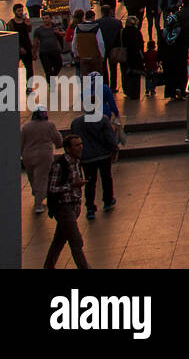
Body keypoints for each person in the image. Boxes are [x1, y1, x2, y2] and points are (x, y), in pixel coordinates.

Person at [44, 133, 90, 269]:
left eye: (81, 144)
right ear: (68, 149)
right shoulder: (59, 165)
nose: (81, 147)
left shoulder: (76, 162)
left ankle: (48, 266)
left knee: (59, 239)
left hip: (74, 205)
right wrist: (72, 186)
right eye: (77, 145)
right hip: (64, 207)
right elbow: (52, 188)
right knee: (76, 241)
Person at [69, 103, 118, 221]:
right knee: (106, 178)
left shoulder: (76, 123)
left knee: (90, 182)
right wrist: (114, 149)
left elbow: (73, 140)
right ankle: (107, 200)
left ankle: (90, 207)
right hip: (103, 155)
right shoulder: (103, 119)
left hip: (86, 157)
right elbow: (109, 137)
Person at [20, 108, 62, 213]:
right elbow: (57, 139)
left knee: (32, 178)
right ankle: (38, 204)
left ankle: (37, 193)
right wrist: (59, 145)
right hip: (44, 156)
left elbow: (21, 142)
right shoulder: (49, 125)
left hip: (27, 156)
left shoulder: (26, 126)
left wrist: (20, 153)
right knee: (42, 179)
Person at [34, 9, 64, 82]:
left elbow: (64, 33)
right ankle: (51, 84)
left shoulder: (56, 27)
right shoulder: (38, 30)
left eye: (46, 18)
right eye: (43, 18)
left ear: (51, 18)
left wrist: (58, 33)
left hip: (55, 51)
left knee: (58, 66)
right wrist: (34, 53)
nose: (45, 20)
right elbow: (35, 42)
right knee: (48, 70)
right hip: (44, 53)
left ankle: (52, 78)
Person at [9, 3, 34, 87]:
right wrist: (19, 47)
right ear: (14, 12)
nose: (20, 12)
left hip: (27, 47)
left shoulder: (25, 21)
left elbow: (29, 31)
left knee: (29, 68)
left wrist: (28, 24)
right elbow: (11, 37)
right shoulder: (11, 23)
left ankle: (29, 86)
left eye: (21, 10)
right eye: (18, 11)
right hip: (17, 48)